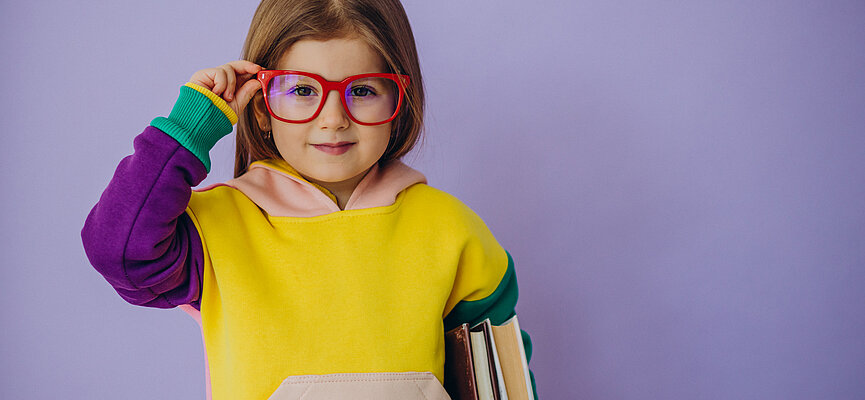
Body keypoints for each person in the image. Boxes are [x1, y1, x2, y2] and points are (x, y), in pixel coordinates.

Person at [81, 0, 536, 399]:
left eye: (362, 90)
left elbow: (501, 376)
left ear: (399, 100)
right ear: (262, 108)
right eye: (302, 90)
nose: (333, 119)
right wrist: (191, 127)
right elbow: (118, 251)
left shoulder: (451, 229)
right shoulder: (218, 227)